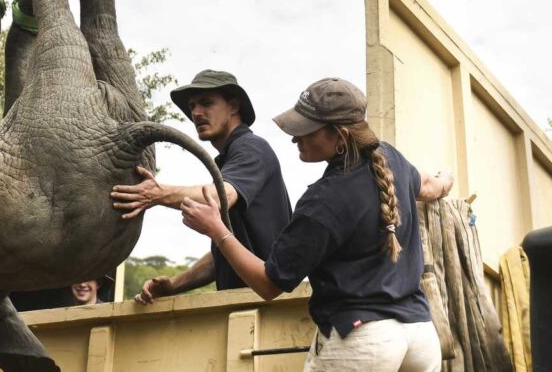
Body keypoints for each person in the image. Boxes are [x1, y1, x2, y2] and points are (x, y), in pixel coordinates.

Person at [179, 77, 453, 371]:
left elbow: (269, 285)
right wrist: (445, 179)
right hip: (420, 335)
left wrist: (217, 230)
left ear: (340, 136)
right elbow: (428, 187)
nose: (294, 139)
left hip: (363, 340)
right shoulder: (390, 158)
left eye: (305, 130)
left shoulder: (323, 201)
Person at [111, 69, 291, 303]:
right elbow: (224, 253)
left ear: (234, 106)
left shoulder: (251, 148)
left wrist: (158, 194)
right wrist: (174, 285)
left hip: (271, 308)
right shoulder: (229, 159)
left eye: (206, 103)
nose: (196, 113)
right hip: (246, 305)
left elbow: (220, 196)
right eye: (192, 106)